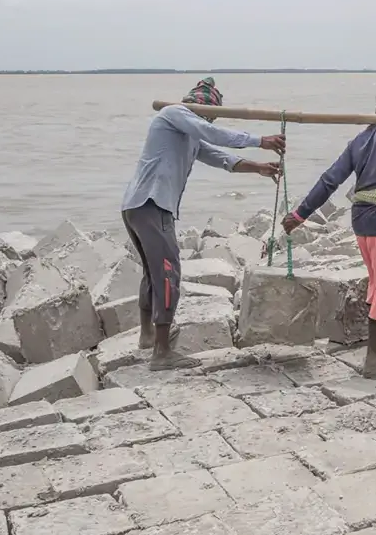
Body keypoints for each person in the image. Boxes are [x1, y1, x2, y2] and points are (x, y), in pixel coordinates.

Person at [122, 77, 285, 370]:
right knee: (169, 273)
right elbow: (212, 132)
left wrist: (259, 168)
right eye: (210, 114)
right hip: (152, 204)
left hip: (138, 206)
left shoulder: (189, 136)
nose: (210, 119)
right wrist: (260, 141)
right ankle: (161, 353)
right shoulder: (174, 114)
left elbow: (222, 157)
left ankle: (148, 337)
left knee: (153, 272)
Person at [282, 91, 376, 379]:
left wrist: (300, 215)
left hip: (361, 220)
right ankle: (373, 360)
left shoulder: (361, 139)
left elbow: (330, 180)